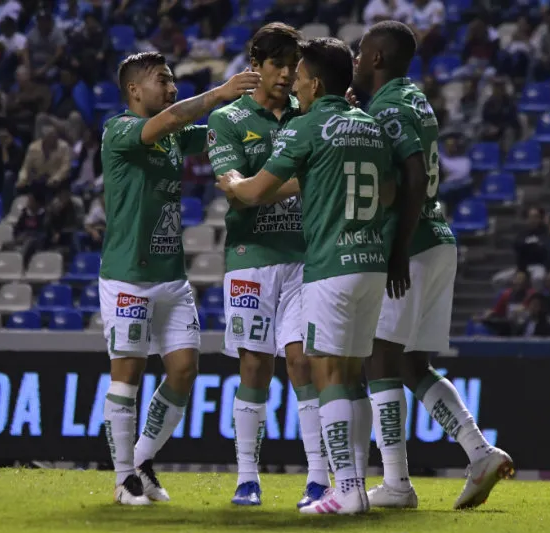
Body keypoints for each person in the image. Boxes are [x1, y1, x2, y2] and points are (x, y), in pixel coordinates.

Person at [217, 37, 395, 516]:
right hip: (372, 263)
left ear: (315, 83)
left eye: (299, 76)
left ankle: (344, 488)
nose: (294, 83)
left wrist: (234, 182)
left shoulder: (306, 126)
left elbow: (253, 192)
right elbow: (393, 190)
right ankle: (350, 484)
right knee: (353, 374)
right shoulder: (370, 124)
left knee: (326, 373)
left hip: (327, 265)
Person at [353, 20, 513, 511]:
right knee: (410, 362)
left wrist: (397, 248)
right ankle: (478, 451)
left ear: (377, 58)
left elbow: (415, 176)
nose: (357, 61)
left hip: (413, 244)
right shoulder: (411, 97)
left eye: (361, 53)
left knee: (379, 355)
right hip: (438, 238)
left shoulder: (392, 105)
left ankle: (397, 483)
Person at [99, 52, 259, 506]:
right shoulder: (120, 130)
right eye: (162, 80)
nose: (171, 88)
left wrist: (258, 102)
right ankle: (122, 478)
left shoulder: (171, 137)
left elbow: (213, 131)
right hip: (128, 277)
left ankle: (142, 461)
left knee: (185, 370)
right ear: (134, 89)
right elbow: (171, 119)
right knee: (127, 375)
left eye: (172, 81)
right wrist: (219, 92)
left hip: (171, 277)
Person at [206, 23, 326, 508]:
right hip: (250, 257)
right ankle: (247, 477)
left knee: (302, 362)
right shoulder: (229, 118)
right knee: (255, 365)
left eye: (292, 65)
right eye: (277, 63)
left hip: (303, 255)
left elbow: (244, 190)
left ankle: (317, 477)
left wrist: (253, 187)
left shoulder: (309, 112)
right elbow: (236, 197)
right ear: (256, 65)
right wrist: (295, 180)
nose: (285, 73)